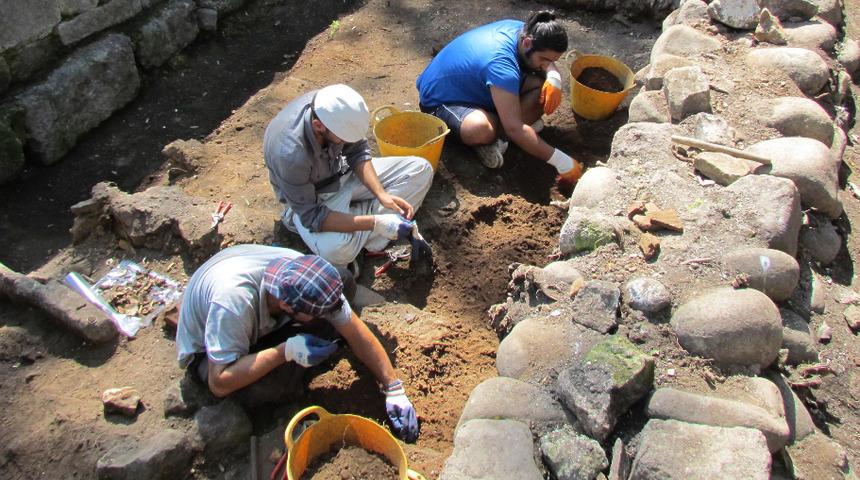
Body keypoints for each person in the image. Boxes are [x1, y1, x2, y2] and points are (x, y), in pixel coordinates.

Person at [175, 244, 419, 442]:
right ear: (287, 306)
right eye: (318, 312)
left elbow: (355, 330)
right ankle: (291, 379)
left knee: (343, 281)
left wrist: (393, 387)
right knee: (270, 386)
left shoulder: (297, 270)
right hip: (209, 353)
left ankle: (304, 347)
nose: (329, 314)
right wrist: (286, 351)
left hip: (259, 319)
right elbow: (219, 382)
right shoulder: (233, 303)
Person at [264, 84, 434, 272]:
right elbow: (313, 216)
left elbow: (358, 151)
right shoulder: (290, 155)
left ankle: (361, 226)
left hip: (341, 174)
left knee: (421, 169)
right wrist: (376, 223)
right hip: (314, 200)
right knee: (338, 250)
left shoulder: (332, 106)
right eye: (344, 138)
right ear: (318, 126)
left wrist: (381, 194)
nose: (347, 142)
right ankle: (372, 225)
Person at [416, 11, 583, 183]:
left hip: (478, 87)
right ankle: (498, 136)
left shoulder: (527, 30)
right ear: (527, 43)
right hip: (441, 99)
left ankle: (505, 131)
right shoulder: (502, 65)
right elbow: (515, 128)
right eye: (543, 59)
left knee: (543, 91)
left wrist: (554, 77)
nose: (546, 64)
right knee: (481, 130)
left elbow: (546, 62)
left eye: (551, 60)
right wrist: (562, 162)